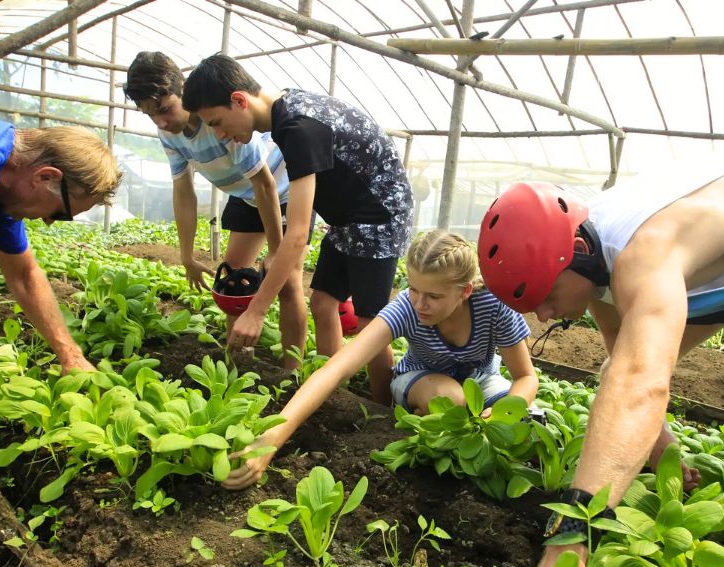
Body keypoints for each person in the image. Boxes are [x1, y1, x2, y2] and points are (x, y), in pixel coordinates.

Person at [474, 154, 724, 567]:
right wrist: (660, 445)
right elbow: (621, 359)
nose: (545, 314)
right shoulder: (594, 252)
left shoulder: (642, 253)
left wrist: (570, 538)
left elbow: (642, 383)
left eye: (547, 295)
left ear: (571, 256)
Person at [221, 230, 538, 490]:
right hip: (421, 376)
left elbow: (526, 378)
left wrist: (495, 417)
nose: (421, 304)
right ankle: (431, 431)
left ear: (465, 291)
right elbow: (338, 368)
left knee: (529, 420)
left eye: (435, 296)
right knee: (450, 402)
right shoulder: (407, 308)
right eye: (414, 289)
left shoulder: (494, 307)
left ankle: (449, 434)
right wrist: (273, 436)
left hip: (481, 381)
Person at [181, 54, 413, 405]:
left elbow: (299, 232)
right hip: (346, 217)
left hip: (379, 215)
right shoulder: (287, 115)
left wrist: (257, 310)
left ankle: (382, 412)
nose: (220, 134)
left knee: (369, 324)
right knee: (322, 303)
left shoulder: (299, 127)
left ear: (239, 100)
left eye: (217, 122)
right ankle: (335, 395)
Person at [124, 51, 308, 369]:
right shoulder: (168, 133)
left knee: (287, 280)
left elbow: (265, 185)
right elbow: (184, 192)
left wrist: (278, 251)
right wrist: (186, 255)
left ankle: (290, 373)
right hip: (246, 194)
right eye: (151, 115)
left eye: (165, 109)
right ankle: (238, 361)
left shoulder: (220, 119)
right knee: (233, 280)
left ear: (183, 88)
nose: (161, 121)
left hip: (284, 192)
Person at [0, 106, 122, 373]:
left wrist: (70, 356)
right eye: (60, 213)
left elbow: (25, 275)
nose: (49, 221)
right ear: (45, 176)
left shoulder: (2, 193)